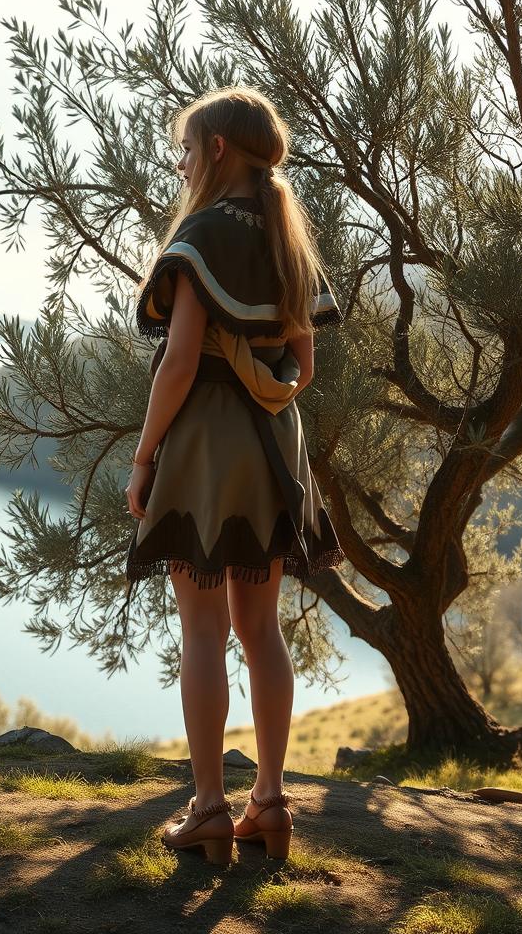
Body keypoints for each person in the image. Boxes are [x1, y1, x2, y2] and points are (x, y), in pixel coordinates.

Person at [124, 86, 346, 867]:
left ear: (218, 148)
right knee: (262, 630)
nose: (180, 162)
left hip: (205, 449)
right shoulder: (289, 239)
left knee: (202, 632)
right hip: (274, 449)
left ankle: (211, 808)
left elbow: (180, 362)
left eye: (187, 147)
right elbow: (303, 366)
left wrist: (146, 457)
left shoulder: (200, 237)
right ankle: (272, 806)